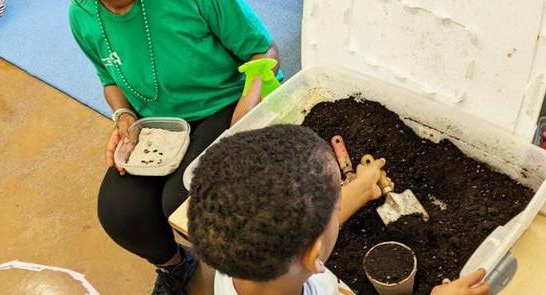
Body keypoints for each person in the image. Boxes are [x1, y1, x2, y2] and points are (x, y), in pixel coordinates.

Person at [15, 0, 279, 294]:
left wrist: (248, 108)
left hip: (225, 108)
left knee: (183, 202)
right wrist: (122, 116)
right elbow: (109, 76)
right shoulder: (82, 16)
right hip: (158, 126)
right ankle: (177, 266)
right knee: (120, 212)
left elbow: (262, 50)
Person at [188, 125, 491, 295]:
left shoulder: (238, 264)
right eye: (336, 203)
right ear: (313, 256)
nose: (339, 203)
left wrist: (361, 189)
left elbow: (297, 225)